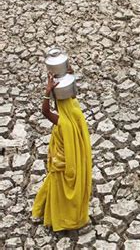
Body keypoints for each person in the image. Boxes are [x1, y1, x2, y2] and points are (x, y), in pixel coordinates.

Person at [32, 65, 92, 231]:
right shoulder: (76, 112)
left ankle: (52, 217)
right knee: (63, 192)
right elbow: (73, 95)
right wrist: (68, 78)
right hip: (77, 162)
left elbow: (45, 111)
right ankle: (40, 212)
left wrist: (47, 91)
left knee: (57, 192)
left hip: (61, 164)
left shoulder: (62, 122)